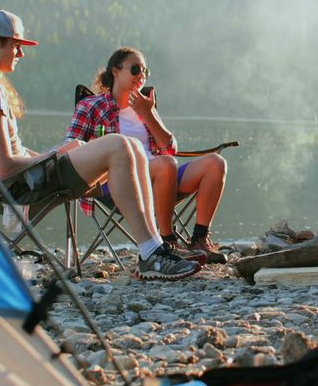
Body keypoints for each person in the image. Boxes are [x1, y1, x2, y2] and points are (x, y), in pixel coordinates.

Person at [0, 9, 201, 281]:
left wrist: (51, 153)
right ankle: (151, 253)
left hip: (2, 181)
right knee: (120, 146)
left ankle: (154, 248)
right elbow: (3, 168)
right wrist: (54, 154)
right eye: (16, 46)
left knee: (132, 148)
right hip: (19, 186)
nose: (21, 54)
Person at [67, 47, 227, 264]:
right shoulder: (91, 106)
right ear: (115, 71)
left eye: (145, 71)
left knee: (215, 163)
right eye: (135, 69)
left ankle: (199, 240)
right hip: (115, 183)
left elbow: (170, 148)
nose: (141, 76)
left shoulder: (145, 105)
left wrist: (148, 113)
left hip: (162, 180)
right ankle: (166, 241)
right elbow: (71, 148)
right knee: (166, 164)